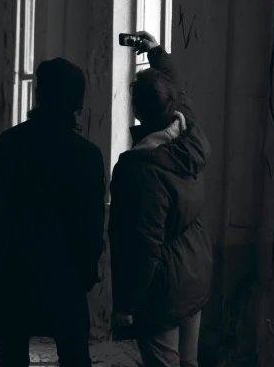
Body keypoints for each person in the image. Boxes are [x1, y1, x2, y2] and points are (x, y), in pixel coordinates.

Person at [0, 58, 106, 367]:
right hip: (65, 276)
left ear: (39, 94)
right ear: (77, 101)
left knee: (11, 357)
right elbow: (91, 226)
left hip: (13, 273)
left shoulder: (9, 144)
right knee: (74, 357)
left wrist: (5, 254)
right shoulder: (86, 155)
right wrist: (86, 274)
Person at [108, 32, 214, 367]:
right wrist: (156, 54)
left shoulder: (138, 167)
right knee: (189, 364)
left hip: (161, 287)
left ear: (137, 110)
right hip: (196, 271)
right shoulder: (191, 136)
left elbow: (143, 245)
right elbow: (178, 93)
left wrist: (125, 305)